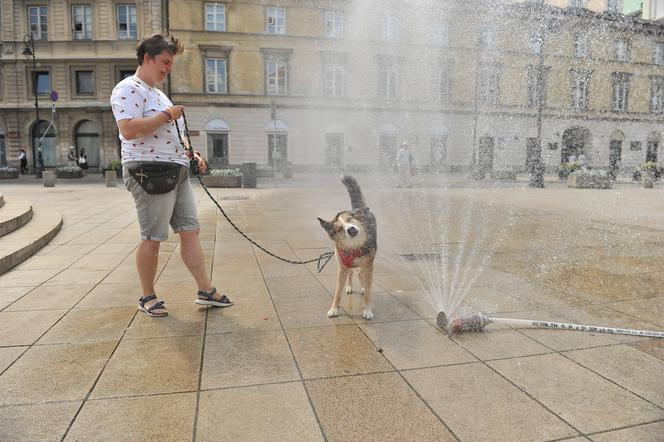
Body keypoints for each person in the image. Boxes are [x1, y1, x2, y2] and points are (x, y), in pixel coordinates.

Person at [110, 33, 232, 317]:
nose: (167, 68)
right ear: (147, 58)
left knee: (190, 231)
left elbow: (175, 133)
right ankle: (147, 296)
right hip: (148, 171)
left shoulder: (159, 93)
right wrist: (166, 115)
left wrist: (192, 154)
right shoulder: (128, 88)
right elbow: (128, 129)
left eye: (170, 64)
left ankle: (205, 290)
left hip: (175, 170)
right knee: (153, 237)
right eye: (164, 62)